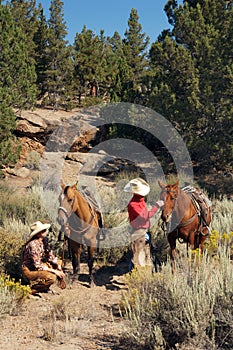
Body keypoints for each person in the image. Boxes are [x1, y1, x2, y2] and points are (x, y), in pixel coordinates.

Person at [124, 178, 164, 270]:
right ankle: (134, 275)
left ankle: (137, 273)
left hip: (144, 231)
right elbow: (146, 216)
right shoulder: (133, 204)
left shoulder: (140, 201)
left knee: (144, 254)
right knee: (138, 257)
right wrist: (157, 206)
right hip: (138, 233)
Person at [22, 221, 66, 295]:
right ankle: (31, 291)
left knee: (60, 262)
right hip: (29, 269)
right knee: (52, 277)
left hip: (38, 265)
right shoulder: (33, 245)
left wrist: (58, 266)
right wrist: (55, 271)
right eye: (44, 230)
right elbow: (38, 266)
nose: (46, 231)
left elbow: (50, 256)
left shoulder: (43, 241)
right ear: (39, 233)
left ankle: (44, 287)